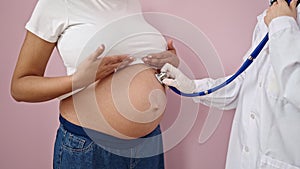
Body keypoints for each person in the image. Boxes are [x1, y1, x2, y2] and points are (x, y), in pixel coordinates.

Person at [11, 0, 179, 168]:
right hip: (90, 148)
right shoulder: (57, 3)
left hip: (148, 145)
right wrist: (77, 80)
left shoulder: (131, 3)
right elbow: (20, 87)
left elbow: (136, 63)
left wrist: (170, 64)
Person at [160, 0, 300, 168]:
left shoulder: (280, 21)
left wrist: (283, 25)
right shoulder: (269, 16)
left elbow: (295, 88)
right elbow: (246, 85)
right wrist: (194, 87)